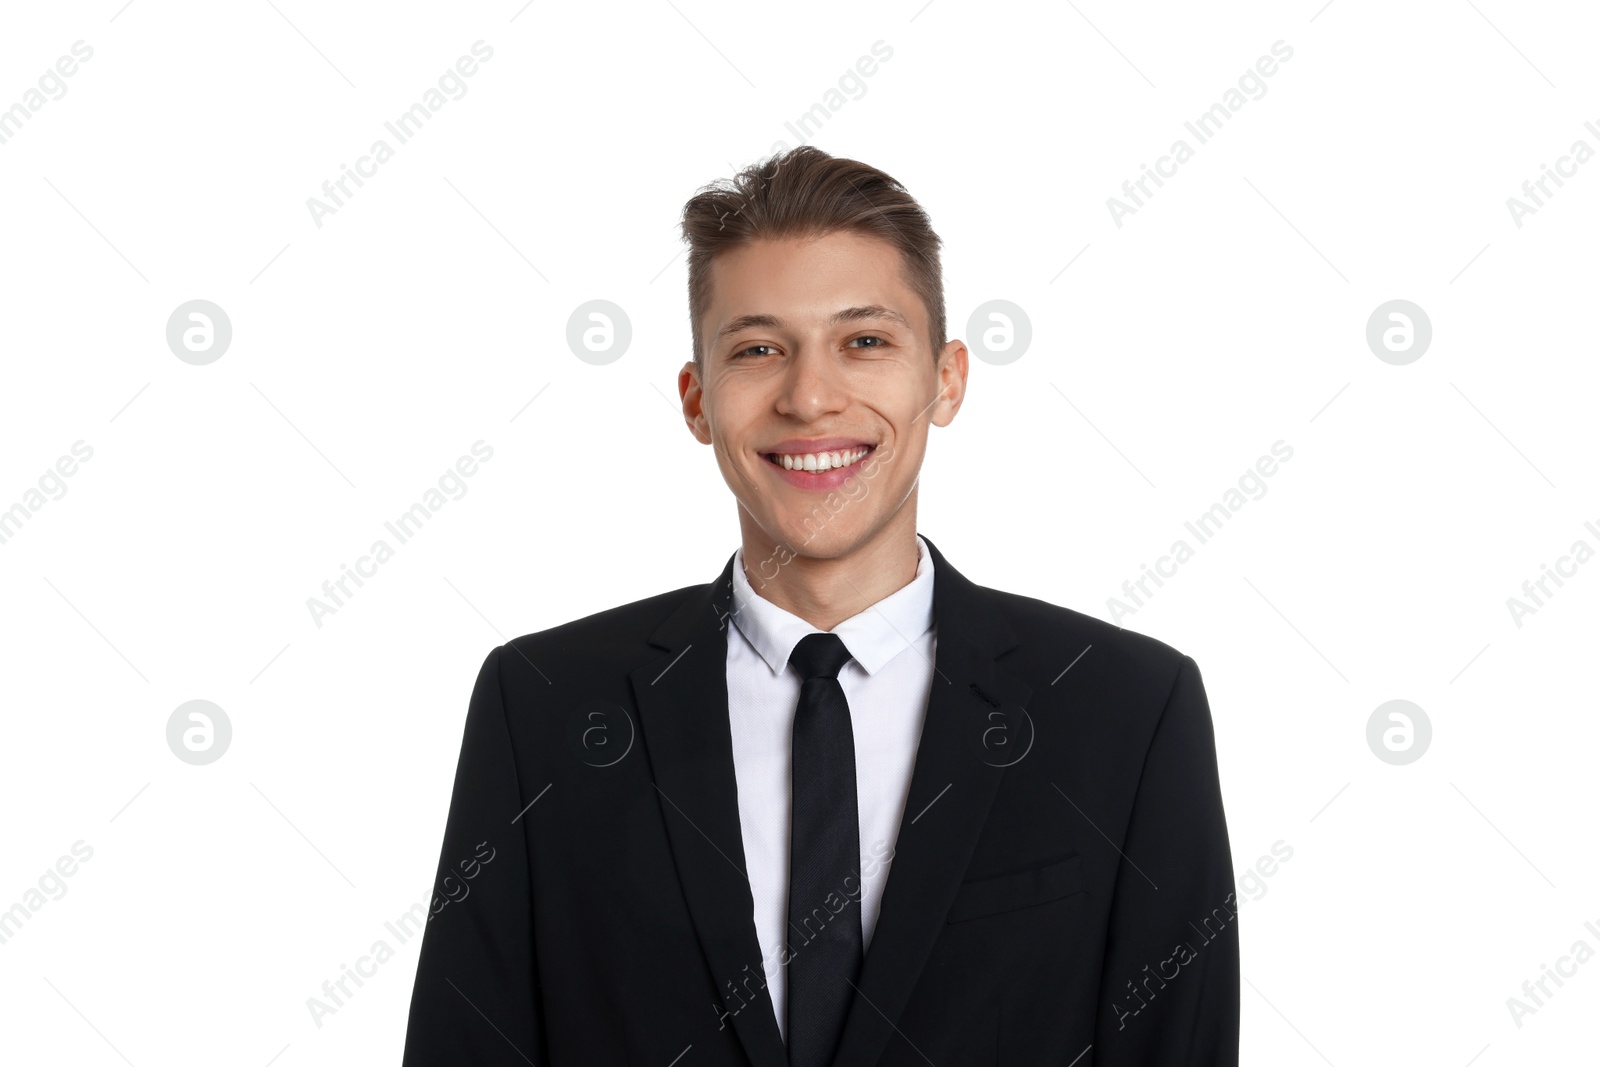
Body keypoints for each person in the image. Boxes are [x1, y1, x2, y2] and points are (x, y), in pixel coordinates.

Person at [401, 145, 1239, 1066]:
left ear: (946, 379)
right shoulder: (543, 706)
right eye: (759, 349)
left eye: (865, 341)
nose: (809, 396)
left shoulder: (1125, 709)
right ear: (697, 399)